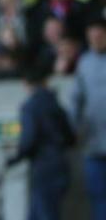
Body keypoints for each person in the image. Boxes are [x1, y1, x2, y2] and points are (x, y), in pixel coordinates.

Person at [6, 62, 75, 220]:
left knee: (44, 213)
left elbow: (28, 140)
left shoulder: (30, 107)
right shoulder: (55, 104)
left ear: (26, 83)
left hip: (43, 167)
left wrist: (15, 158)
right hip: (61, 164)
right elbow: (70, 137)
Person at [73, 20, 106, 220]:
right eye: (92, 37)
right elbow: (75, 100)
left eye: (99, 36)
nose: (96, 40)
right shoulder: (84, 64)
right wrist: (72, 127)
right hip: (93, 146)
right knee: (98, 198)